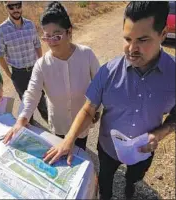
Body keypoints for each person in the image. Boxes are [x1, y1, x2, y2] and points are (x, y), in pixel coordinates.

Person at [43, 2, 176, 200]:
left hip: (143, 153)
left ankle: (130, 186)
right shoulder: (107, 72)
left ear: (163, 34)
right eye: (127, 39)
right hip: (108, 149)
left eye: (142, 40)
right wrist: (68, 140)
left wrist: (160, 133)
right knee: (105, 182)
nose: (132, 49)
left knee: (134, 178)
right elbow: (88, 110)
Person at [3, 2, 101, 150]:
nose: (51, 42)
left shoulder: (86, 55)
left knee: (80, 151)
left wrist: (97, 110)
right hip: (59, 123)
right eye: (47, 36)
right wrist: (21, 120)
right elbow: (32, 94)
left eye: (57, 36)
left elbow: (100, 86)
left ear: (69, 32)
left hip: (82, 122)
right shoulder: (42, 65)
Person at [0, 1, 48, 123]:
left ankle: (54, 129)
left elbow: (37, 44)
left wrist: (40, 63)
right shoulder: (1, 30)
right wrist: (10, 75)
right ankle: (31, 128)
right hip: (18, 74)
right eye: (11, 6)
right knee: (26, 103)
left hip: (35, 70)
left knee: (41, 100)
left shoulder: (30, 24)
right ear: (6, 7)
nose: (15, 9)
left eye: (18, 5)